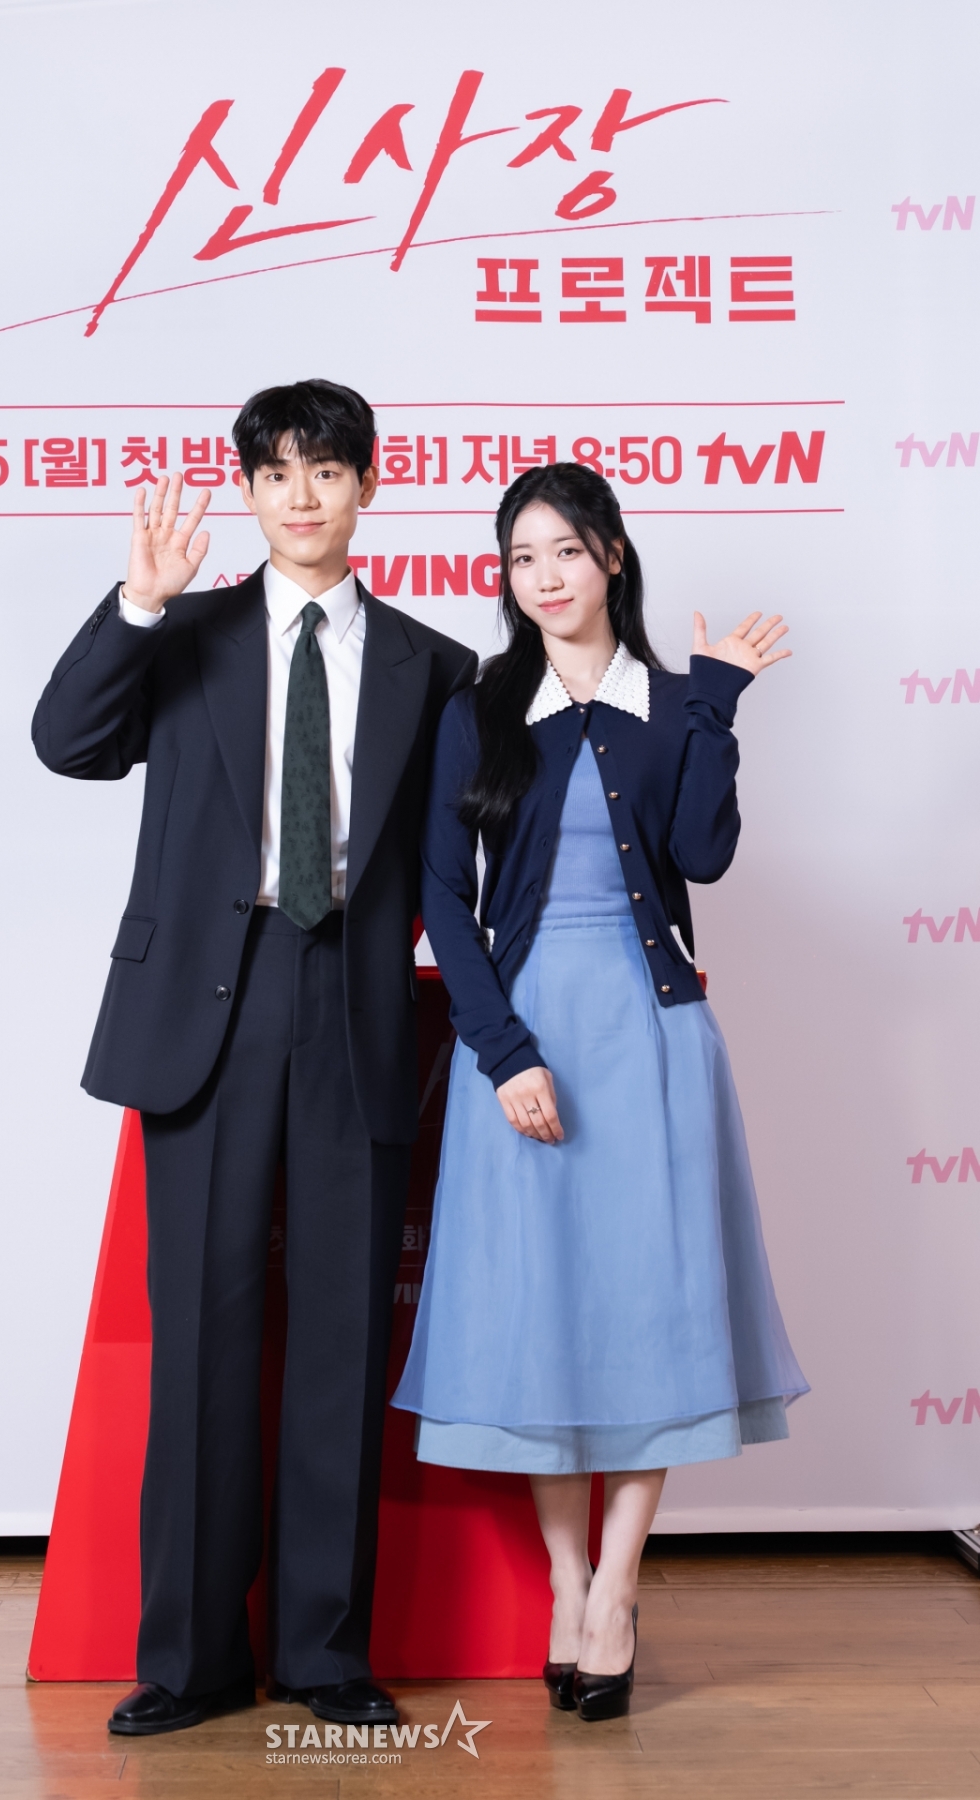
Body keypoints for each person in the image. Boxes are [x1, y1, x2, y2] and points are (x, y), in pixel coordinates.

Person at [32, 380, 476, 1736]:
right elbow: (67, 744)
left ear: (368, 486)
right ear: (247, 491)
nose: (301, 496)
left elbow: (460, 862)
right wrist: (138, 604)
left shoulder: (435, 665)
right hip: (206, 1015)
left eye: (327, 471)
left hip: (355, 1003)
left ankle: (325, 1653)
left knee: (342, 1337)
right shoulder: (187, 634)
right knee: (203, 1341)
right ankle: (191, 1663)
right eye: (277, 473)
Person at [393, 461, 808, 1722]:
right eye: (522, 558)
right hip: (526, 1037)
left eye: (566, 551)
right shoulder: (478, 708)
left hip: (652, 1034)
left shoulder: (673, 703)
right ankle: (566, 1584)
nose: (545, 578)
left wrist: (717, 704)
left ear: (613, 556)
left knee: (647, 1310)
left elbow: (701, 856)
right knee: (545, 1312)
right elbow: (442, 895)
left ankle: (617, 1590)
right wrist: (503, 1051)